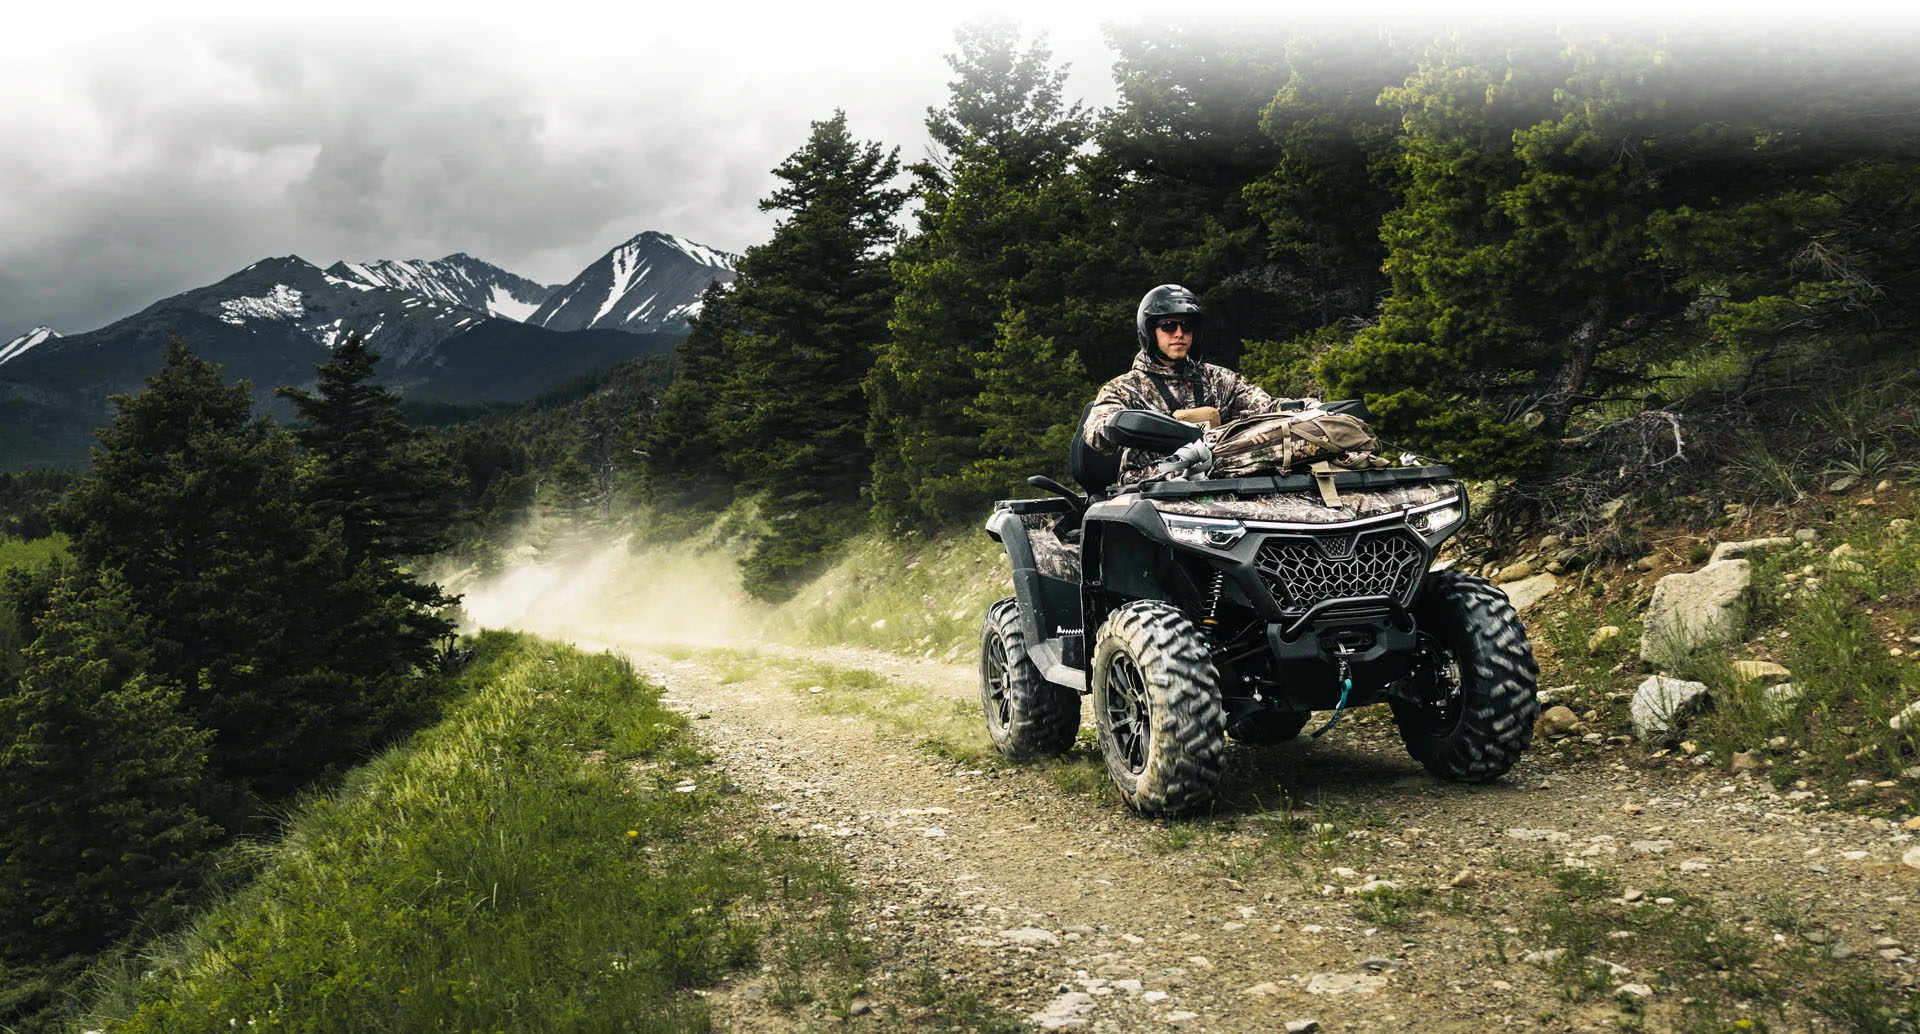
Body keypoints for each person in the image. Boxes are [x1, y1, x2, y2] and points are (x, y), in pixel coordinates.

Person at [1083, 284, 1310, 484]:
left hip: (1219, 482)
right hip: (1151, 487)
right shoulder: (1125, 388)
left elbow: (1268, 406)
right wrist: (1132, 428)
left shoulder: (1218, 380)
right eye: (1169, 326)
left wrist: (1310, 409)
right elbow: (1096, 431)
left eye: (1187, 326)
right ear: (1149, 331)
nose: (1179, 333)